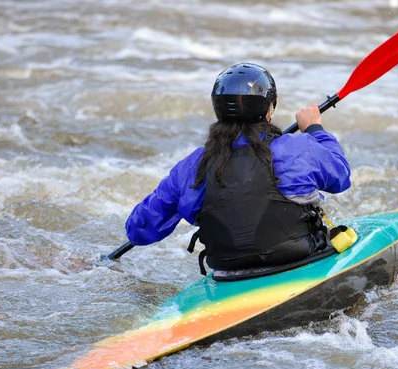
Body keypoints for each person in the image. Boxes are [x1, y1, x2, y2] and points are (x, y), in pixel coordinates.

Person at [125, 63, 351, 277]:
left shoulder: (192, 166)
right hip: (298, 262)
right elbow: (340, 176)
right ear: (269, 108)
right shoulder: (296, 148)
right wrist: (314, 128)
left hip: (229, 276)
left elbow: (139, 230)